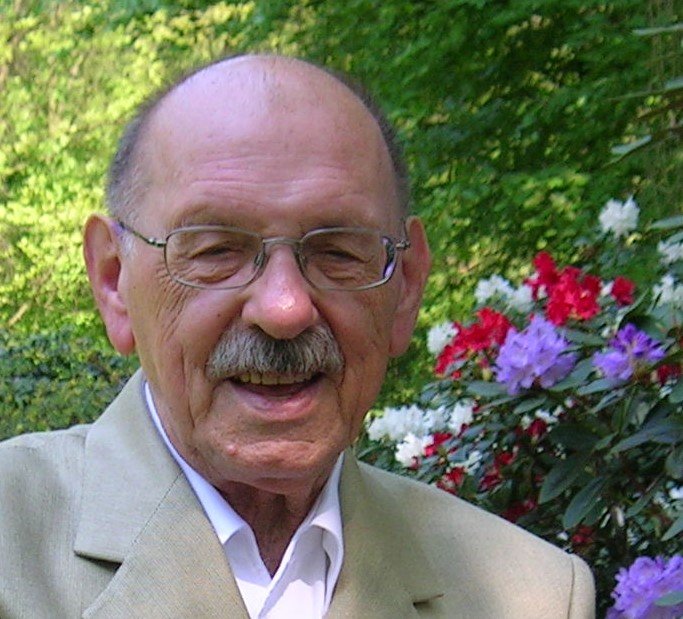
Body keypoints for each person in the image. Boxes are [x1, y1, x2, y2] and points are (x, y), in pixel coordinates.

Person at [0, 54, 595, 618]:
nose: (285, 308)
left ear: (407, 287)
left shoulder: (533, 595)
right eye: (216, 251)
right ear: (113, 280)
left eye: (339, 253)